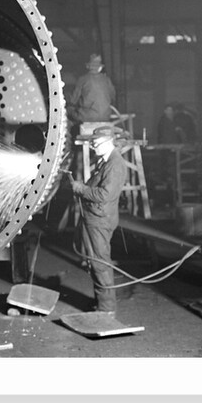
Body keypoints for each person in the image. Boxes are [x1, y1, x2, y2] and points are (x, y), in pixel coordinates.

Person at [69, 126, 130, 315]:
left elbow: (104, 195)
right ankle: (101, 304)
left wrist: (81, 189)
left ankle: (106, 309)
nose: (93, 146)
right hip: (94, 217)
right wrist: (83, 186)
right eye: (93, 143)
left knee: (99, 263)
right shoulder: (105, 161)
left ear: (109, 142)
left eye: (96, 143)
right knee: (94, 261)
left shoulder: (115, 165)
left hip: (100, 220)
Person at [66, 53, 116, 125]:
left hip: (87, 117)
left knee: (68, 111)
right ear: (100, 68)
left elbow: (73, 100)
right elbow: (113, 97)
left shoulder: (83, 79)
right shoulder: (107, 80)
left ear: (88, 66)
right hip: (106, 117)